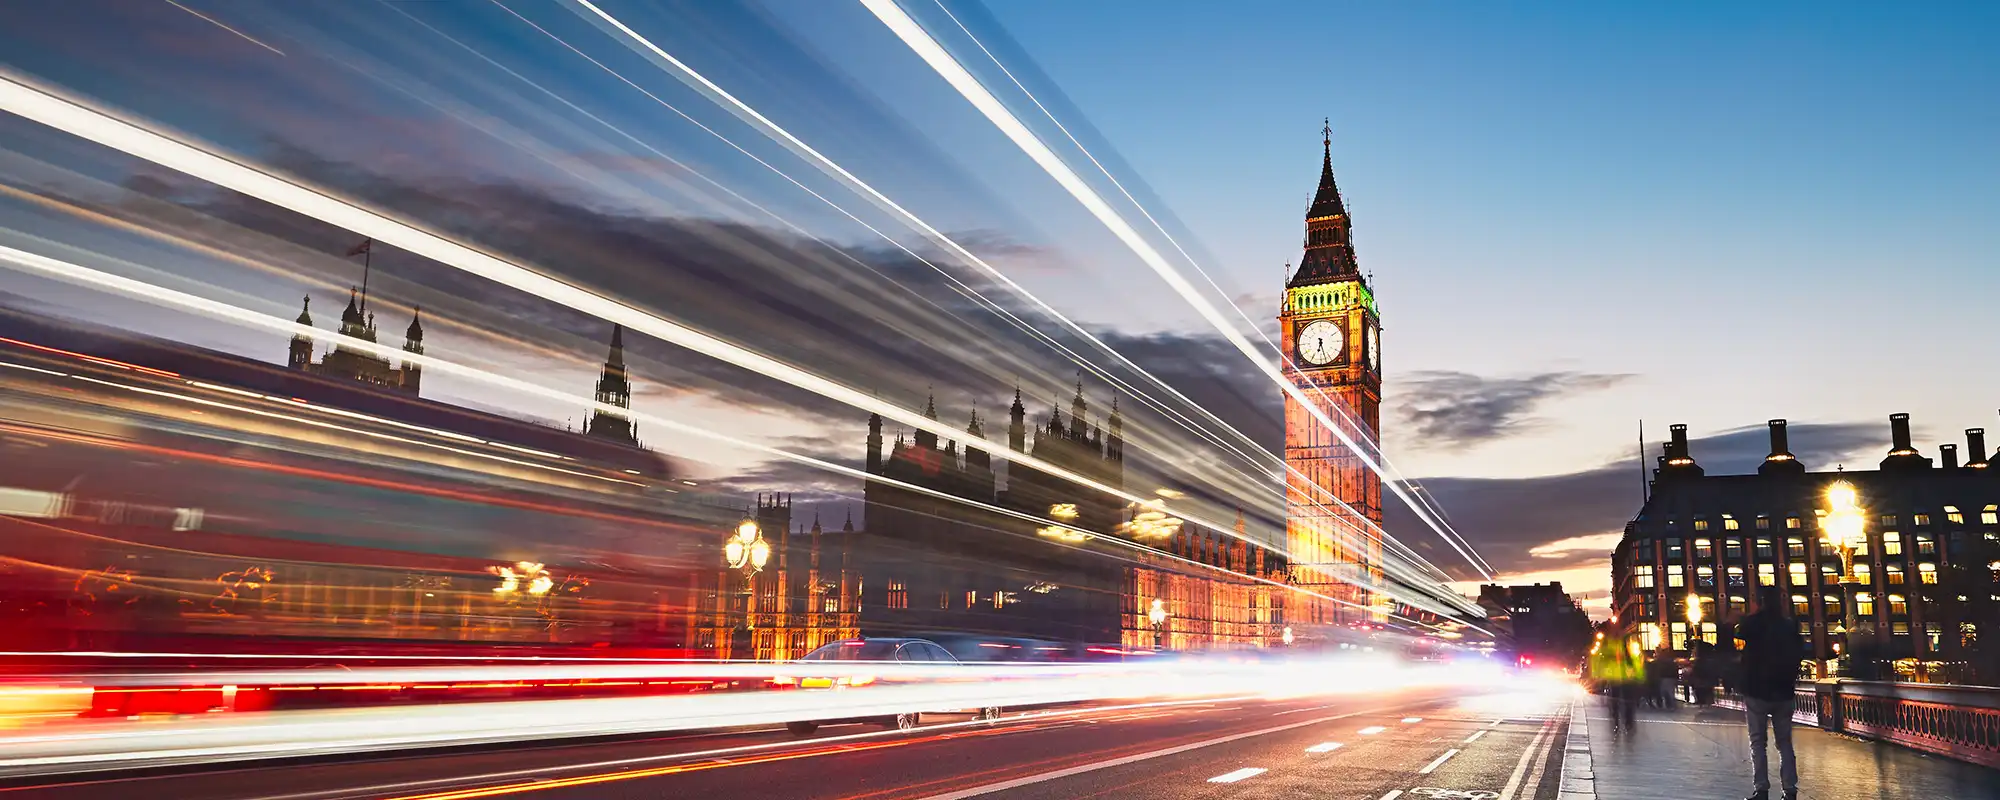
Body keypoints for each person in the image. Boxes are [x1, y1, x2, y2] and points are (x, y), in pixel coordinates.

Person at [1734, 584, 1805, 800]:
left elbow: (1738, 631)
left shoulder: (1753, 623)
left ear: (1761, 601)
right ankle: (1790, 790)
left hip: (1757, 690)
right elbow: (1800, 651)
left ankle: (1761, 789)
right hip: (1783, 691)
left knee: (1758, 741)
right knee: (1785, 742)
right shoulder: (1790, 625)